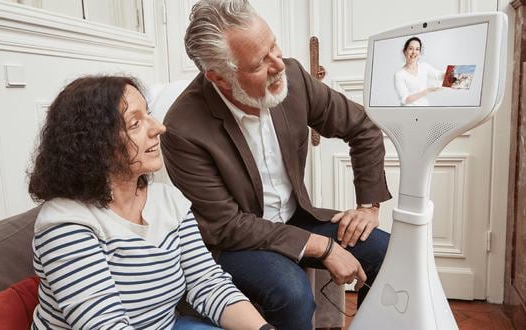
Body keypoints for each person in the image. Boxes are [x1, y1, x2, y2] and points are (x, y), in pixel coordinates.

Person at [161, 1, 392, 329]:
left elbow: (362, 126)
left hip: (296, 219)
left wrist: (368, 206)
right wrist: (322, 247)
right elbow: (226, 226)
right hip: (235, 241)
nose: (277, 64)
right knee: (292, 292)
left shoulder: (294, 75)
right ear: (219, 78)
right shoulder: (183, 128)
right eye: (259, 62)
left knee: (386, 251)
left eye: (274, 46)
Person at [27, 75, 272, 330]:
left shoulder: (168, 200)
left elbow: (207, 283)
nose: (158, 128)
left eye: (149, 115)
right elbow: (104, 325)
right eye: (135, 123)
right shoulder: (64, 222)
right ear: (95, 145)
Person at [394, 36, 444, 106]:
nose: (414, 52)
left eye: (417, 49)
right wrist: (428, 90)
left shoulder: (424, 67)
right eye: (411, 49)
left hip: (424, 110)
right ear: (404, 51)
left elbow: (439, 75)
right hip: (408, 113)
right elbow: (405, 100)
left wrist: (455, 74)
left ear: (420, 52)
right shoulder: (399, 74)